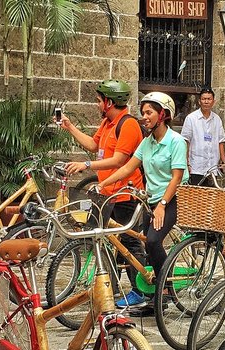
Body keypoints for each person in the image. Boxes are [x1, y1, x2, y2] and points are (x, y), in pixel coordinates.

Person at [57, 80, 149, 307]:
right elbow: (92, 145)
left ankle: (142, 292)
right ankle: (111, 287)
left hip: (126, 194)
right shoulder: (108, 123)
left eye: (99, 100)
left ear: (109, 101)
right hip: (107, 193)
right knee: (105, 240)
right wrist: (69, 126)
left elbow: (119, 160)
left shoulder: (127, 125)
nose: (97, 104)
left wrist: (86, 165)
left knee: (129, 244)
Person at [99, 92, 188, 309]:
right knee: (146, 242)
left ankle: (164, 289)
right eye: (143, 112)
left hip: (173, 197)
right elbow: (128, 167)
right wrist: (102, 184)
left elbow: (176, 177)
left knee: (154, 240)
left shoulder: (176, 141)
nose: (144, 117)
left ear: (163, 114)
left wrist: (162, 206)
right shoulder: (147, 142)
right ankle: (153, 293)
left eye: (149, 112)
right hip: (151, 198)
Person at [182, 88, 225, 186]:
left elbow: (221, 141)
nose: (206, 101)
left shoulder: (217, 119)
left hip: (213, 166)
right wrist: (187, 163)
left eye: (209, 99)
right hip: (196, 166)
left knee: (211, 197)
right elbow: (186, 141)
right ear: (199, 101)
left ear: (213, 101)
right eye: (204, 99)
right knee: (196, 197)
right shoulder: (191, 118)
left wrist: (223, 161)